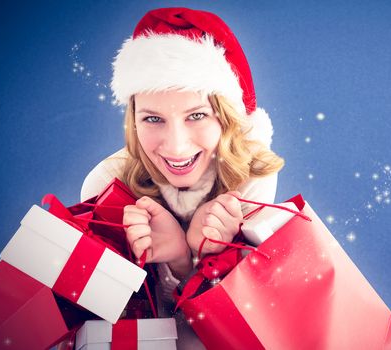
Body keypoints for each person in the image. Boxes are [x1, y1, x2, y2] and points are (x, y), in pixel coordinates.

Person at [80, 7, 283, 349]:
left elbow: (249, 330)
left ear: (227, 118)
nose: (175, 146)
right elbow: (102, 328)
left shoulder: (250, 179)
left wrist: (192, 265)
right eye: (153, 119)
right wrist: (173, 260)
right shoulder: (105, 186)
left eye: (197, 115)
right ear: (133, 120)